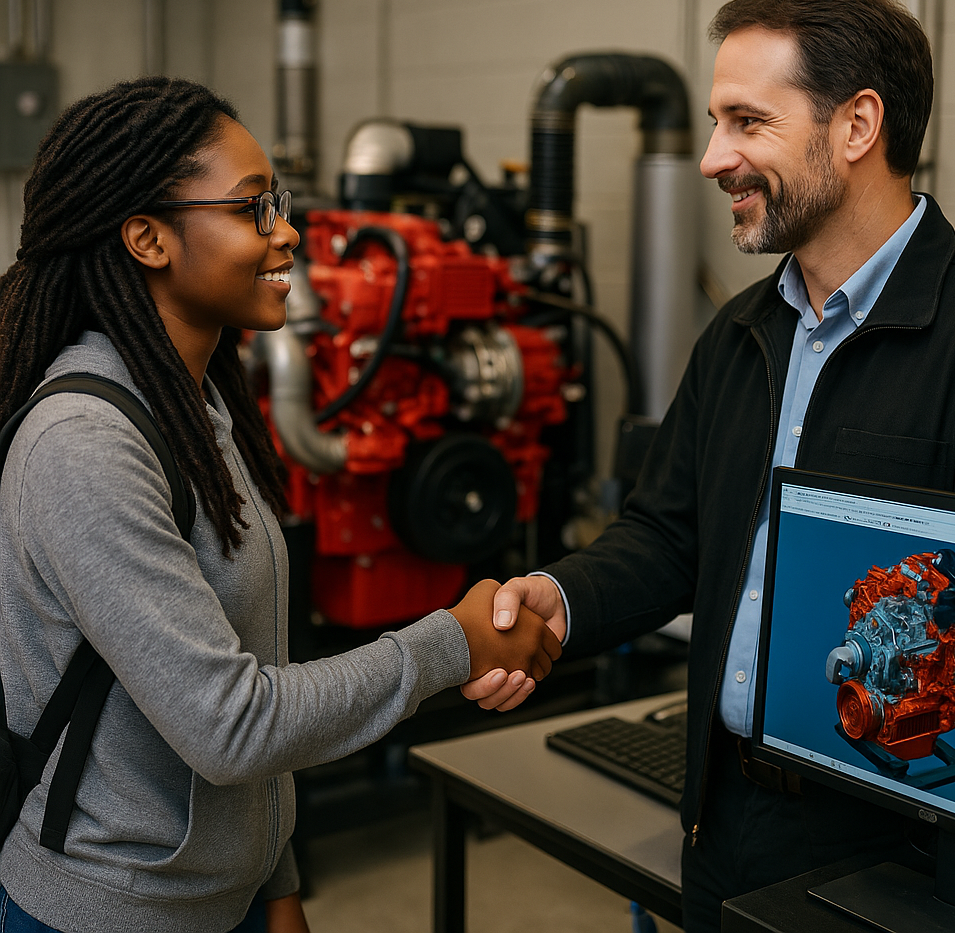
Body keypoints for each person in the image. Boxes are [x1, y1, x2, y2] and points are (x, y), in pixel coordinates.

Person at [462, 0, 955, 931]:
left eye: (747, 122)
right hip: (722, 829)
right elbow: (669, 536)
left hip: (893, 873)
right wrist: (556, 601)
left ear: (857, 126)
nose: (714, 156)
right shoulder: (742, 335)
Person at [0, 77, 560, 933]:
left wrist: (275, 877)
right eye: (254, 209)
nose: (288, 233)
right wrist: (457, 640)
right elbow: (233, 723)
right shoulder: (84, 442)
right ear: (147, 238)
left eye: (280, 205)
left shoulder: (200, 407)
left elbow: (250, 662)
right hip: (110, 912)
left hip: (227, 900)